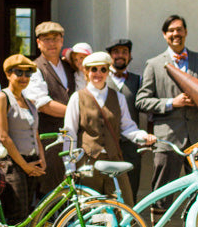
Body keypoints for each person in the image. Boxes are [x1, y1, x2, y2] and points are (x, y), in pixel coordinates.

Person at [136, 15, 198, 227]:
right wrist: (172, 102)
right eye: (170, 31)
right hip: (167, 138)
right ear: (164, 35)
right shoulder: (154, 64)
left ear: (186, 32)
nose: (175, 34)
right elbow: (142, 101)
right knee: (161, 192)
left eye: (179, 30)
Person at [65, 52, 155, 206]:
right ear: (86, 72)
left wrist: (142, 136)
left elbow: (127, 126)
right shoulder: (77, 97)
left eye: (103, 70)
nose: (98, 74)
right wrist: (69, 165)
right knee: (89, 210)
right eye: (94, 69)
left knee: (124, 208)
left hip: (114, 160)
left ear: (108, 72)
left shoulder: (118, 97)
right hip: (88, 162)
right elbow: (69, 133)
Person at [0, 54, 46, 227]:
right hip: (13, 164)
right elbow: (3, 136)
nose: (23, 77)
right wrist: (23, 166)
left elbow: (35, 134)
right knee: (13, 216)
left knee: (24, 217)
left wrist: (42, 160)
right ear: (8, 74)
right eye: (18, 72)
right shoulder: (1, 97)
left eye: (27, 73)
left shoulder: (30, 102)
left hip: (32, 162)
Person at [23, 21, 76, 195]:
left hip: (73, 139)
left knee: (73, 188)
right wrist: (77, 112)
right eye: (46, 39)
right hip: (49, 141)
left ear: (62, 40)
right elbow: (43, 105)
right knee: (51, 191)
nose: (51, 43)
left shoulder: (69, 66)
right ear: (38, 43)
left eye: (55, 38)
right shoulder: (34, 69)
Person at [106, 38, 145, 195]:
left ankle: (131, 219)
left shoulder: (138, 80)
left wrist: (143, 140)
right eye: (116, 52)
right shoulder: (100, 79)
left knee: (131, 187)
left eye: (124, 52)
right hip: (107, 143)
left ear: (130, 56)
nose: (120, 55)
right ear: (109, 56)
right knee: (108, 187)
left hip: (131, 145)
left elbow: (146, 113)